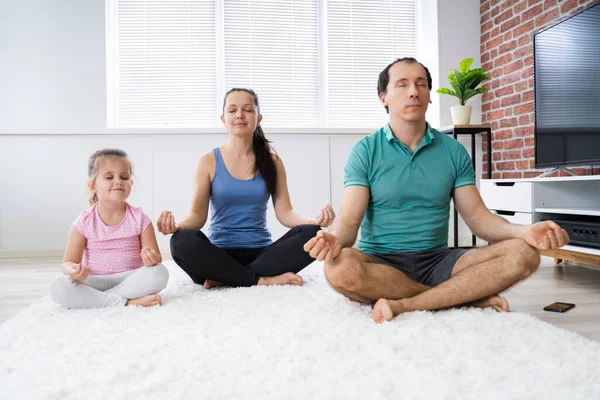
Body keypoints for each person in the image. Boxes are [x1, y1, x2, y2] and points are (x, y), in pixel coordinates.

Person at [304, 57, 569, 323]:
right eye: (402, 84)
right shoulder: (365, 151)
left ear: (429, 96)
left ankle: (410, 303)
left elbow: (478, 218)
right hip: (381, 262)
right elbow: (349, 221)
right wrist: (334, 239)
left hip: (440, 261)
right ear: (384, 97)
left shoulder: (453, 151)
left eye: (421, 84)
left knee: (524, 254)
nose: (413, 91)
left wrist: (524, 231)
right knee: (339, 268)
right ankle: (462, 298)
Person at [159, 88, 335, 288]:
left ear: (258, 118)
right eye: (232, 110)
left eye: (247, 109)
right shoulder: (208, 161)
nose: (240, 115)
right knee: (182, 241)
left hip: (261, 253)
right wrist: (176, 227)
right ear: (223, 118)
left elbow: (285, 213)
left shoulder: (272, 162)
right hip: (217, 255)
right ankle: (260, 280)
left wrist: (313, 221)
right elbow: (197, 216)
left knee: (312, 233)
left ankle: (228, 278)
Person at [49, 149, 169, 308]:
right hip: (95, 281)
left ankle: (99, 300)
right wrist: (73, 269)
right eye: (109, 177)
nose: (118, 181)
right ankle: (125, 302)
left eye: (124, 177)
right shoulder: (83, 221)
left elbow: (156, 259)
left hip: (130, 279)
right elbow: (68, 262)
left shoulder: (140, 219)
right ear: (93, 185)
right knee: (58, 286)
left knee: (160, 273)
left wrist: (152, 258)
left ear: (130, 184)